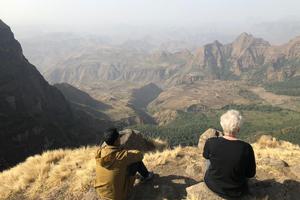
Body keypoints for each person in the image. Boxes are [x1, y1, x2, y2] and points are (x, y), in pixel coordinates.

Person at [203, 110, 256, 199]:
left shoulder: (210, 142)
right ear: (238, 129)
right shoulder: (246, 148)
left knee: (208, 157)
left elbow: (205, 156)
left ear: (222, 125)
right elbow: (250, 174)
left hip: (213, 184)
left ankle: (216, 176)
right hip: (236, 191)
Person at [94, 128, 154, 200]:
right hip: (118, 197)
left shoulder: (99, 153)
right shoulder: (122, 156)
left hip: (102, 194)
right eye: (119, 137)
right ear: (116, 141)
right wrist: (122, 150)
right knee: (136, 162)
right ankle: (146, 176)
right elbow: (140, 155)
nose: (120, 139)